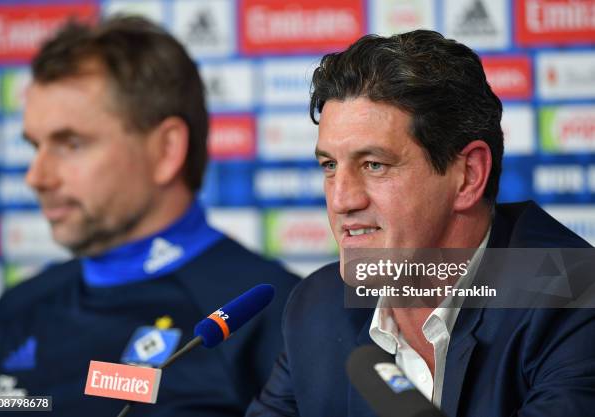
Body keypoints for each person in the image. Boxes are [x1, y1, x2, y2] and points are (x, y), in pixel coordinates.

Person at [247, 30, 595, 417]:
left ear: (468, 176)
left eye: (374, 165)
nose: (342, 200)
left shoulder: (575, 300)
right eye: (330, 166)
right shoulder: (319, 308)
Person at [0, 16, 299, 416]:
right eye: (35, 146)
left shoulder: (272, 315)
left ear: (166, 150)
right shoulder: (18, 310)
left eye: (71, 143)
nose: (37, 176)